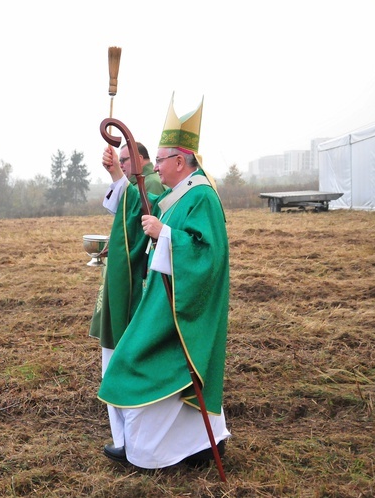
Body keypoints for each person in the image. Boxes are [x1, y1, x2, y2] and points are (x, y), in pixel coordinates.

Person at [97, 94, 231, 469]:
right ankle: (201, 445)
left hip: (183, 305)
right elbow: (142, 208)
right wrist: (117, 177)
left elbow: (209, 254)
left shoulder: (201, 196)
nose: (154, 166)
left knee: (135, 360)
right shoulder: (177, 195)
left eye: (158, 160)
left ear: (178, 161)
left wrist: (166, 235)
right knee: (147, 364)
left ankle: (154, 451)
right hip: (165, 296)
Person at [88, 141, 164, 449]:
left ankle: (128, 439)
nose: (157, 166)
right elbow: (126, 217)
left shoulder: (150, 182)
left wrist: (117, 176)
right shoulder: (137, 182)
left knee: (122, 359)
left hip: (135, 285)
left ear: (140, 159)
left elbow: (142, 211)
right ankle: (126, 437)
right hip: (126, 277)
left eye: (125, 160)